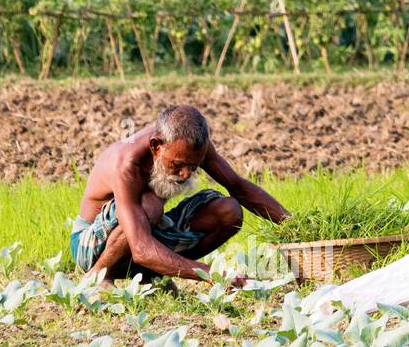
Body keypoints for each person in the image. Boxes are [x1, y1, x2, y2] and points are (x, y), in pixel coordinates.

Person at [70, 105, 288, 286]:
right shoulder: (127, 165)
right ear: (156, 147)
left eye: (194, 167)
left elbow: (237, 186)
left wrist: (291, 225)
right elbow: (140, 248)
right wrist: (211, 274)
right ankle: (99, 276)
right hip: (91, 246)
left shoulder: (191, 144)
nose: (185, 174)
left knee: (228, 211)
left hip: (146, 234)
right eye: (178, 165)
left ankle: (153, 275)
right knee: (150, 204)